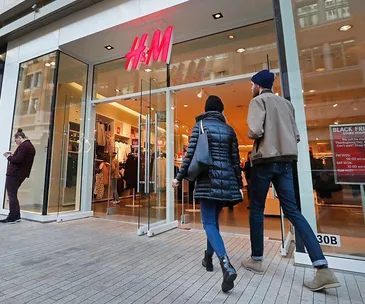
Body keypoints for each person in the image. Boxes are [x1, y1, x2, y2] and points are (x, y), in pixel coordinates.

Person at [241, 70, 340, 292]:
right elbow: (295, 135)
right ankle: (322, 268)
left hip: (265, 161)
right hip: (286, 161)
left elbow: (254, 131)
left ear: (258, 85)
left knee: (256, 209)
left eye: (251, 84)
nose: (250, 88)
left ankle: (256, 259)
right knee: (293, 212)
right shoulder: (286, 104)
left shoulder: (258, 101)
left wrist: (253, 132)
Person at [172, 95, 243, 293]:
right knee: (213, 223)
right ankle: (208, 259)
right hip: (226, 183)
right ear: (221, 111)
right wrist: (238, 184)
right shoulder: (230, 130)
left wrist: (179, 177)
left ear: (206, 109)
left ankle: (226, 264)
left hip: (206, 181)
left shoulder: (200, 125)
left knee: (209, 224)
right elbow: (235, 161)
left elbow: (190, 154)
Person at [1, 128, 36, 223]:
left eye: (16, 140)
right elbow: (21, 159)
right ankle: (16, 216)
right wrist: (14, 155)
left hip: (14, 173)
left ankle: (12, 217)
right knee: (14, 194)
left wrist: (9, 157)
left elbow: (17, 160)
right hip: (21, 174)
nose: (16, 143)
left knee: (11, 195)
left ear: (20, 137)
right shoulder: (30, 146)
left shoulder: (24, 146)